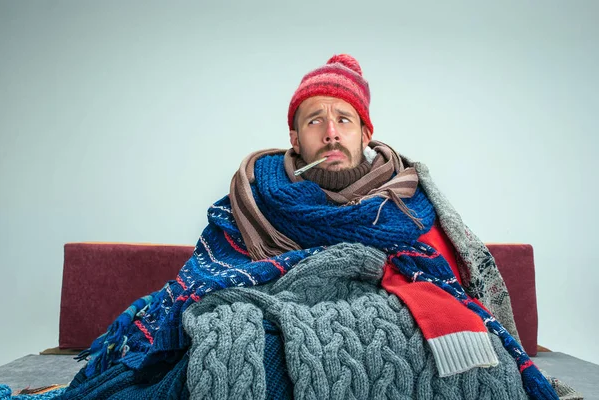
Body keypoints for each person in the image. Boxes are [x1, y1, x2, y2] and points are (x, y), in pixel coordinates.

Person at [61, 55, 559, 400]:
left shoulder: (410, 207)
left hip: (388, 326)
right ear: (294, 137)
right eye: (314, 119)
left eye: (344, 118)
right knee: (235, 341)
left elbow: (442, 287)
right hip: (274, 322)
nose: (331, 130)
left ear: (366, 133)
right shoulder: (250, 201)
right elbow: (204, 283)